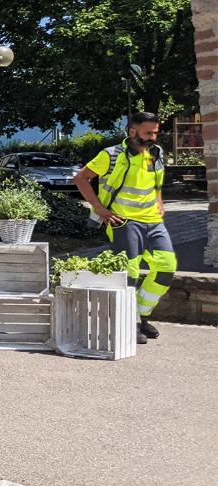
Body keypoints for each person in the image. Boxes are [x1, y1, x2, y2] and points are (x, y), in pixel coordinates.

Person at [74, 112, 176, 345]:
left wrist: (159, 201)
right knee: (129, 274)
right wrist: (99, 208)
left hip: (153, 222)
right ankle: (130, 322)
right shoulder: (110, 155)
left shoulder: (156, 153)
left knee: (166, 268)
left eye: (155, 133)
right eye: (148, 133)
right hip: (123, 221)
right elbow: (81, 178)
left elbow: (157, 180)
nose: (153, 137)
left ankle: (140, 315)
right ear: (132, 132)